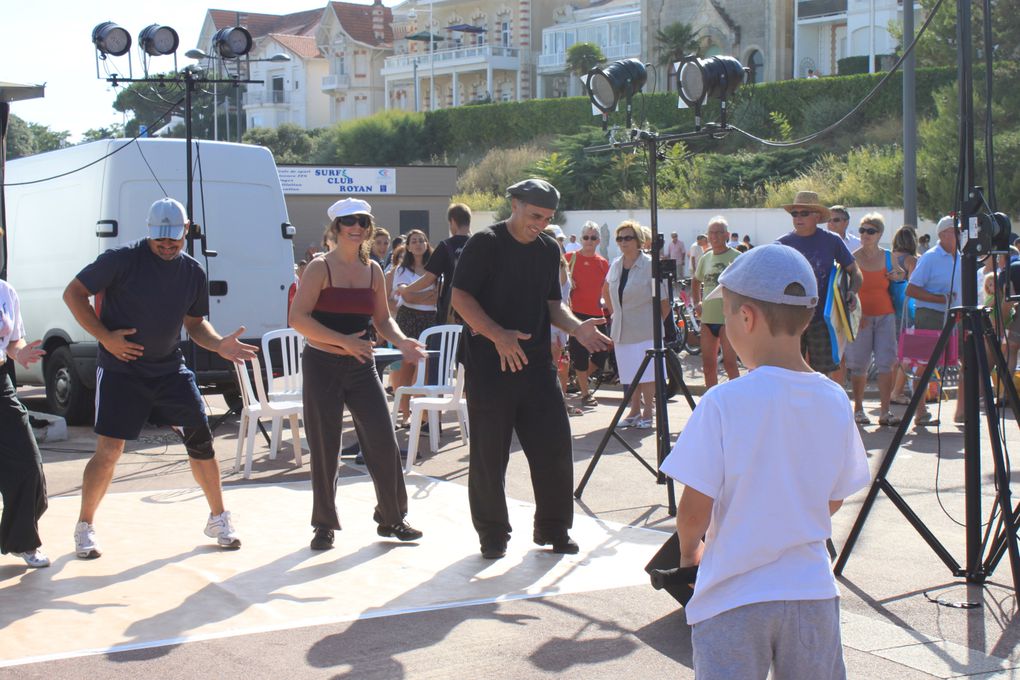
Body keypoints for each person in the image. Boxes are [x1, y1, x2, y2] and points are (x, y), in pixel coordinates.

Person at [660, 243, 869, 680]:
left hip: (733, 595)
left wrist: (688, 553)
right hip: (811, 591)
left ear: (747, 318)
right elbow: (833, 498)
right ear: (808, 317)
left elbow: (693, 509)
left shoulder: (721, 403)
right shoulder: (834, 399)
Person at [63, 197, 257, 559]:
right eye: (160, 241)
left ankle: (218, 518)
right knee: (110, 450)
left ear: (186, 231)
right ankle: (84, 525)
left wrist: (218, 345)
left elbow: (195, 324)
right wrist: (105, 337)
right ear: (149, 234)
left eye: (174, 240)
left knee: (201, 442)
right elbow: (73, 294)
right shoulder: (119, 260)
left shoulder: (192, 271)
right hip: (122, 371)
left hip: (169, 369)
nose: (167, 247)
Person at [451, 179, 611, 560]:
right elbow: (460, 296)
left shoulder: (548, 250)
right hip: (490, 366)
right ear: (515, 204)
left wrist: (578, 327)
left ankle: (553, 529)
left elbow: (554, 306)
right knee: (490, 455)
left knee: (554, 447)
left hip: (537, 366)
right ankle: (492, 534)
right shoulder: (485, 243)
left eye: (548, 218)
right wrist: (497, 335)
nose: (540, 223)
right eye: (535, 215)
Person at [289, 198, 426, 551]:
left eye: (363, 221)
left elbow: (382, 319)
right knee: (325, 446)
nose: (357, 227)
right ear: (335, 228)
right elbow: (298, 319)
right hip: (322, 364)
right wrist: (341, 342)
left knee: (383, 440)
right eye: (348, 221)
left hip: (362, 366)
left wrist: (401, 341)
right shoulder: (320, 268)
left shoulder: (374, 271)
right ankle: (324, 525)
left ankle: (392, 517)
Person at [777, 190, 862, 377]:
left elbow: (855, 272)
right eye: (795, 214)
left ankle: (822, 406)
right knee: (788, 372)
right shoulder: (781, 244)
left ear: (816, 216)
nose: (798, 218)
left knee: (824, 374)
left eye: (804, 213)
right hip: (790, 318)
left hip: (822, 319)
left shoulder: (832, 241)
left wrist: (853, 292)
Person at [0, 270, 50, 568]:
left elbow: (13, 342)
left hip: (1, 382)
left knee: (29, 465)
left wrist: (21, 353)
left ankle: (22, 541)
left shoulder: (6, 292)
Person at [604, 220, 670, 427]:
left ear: (639, 240)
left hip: (646, 329)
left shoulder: (651, 265)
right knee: (629, 373)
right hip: (622, 329)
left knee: (648, 373)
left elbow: (664, 302)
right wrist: (616, 314)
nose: (623, 242)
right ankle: (633, 410)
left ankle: (648, 412)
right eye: (620, 238)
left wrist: (655, 323)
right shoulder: (615, 264)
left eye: (628, 237)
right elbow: (606, 290)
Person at [906, 215, 967, 425]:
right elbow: (911, 289)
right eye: (956, 230)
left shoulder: (961, 256)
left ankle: (961, 411)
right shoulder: (930, 257)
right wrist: (939, 298)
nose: (960, 234)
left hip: (957, 314)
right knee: (924, 363)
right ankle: (920, 413)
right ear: (943, 234)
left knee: (967, 362)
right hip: (931, 315)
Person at [845, 214, 904, 426]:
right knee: (858, 365)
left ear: (879, 234)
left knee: (886, 364)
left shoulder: (888, 256)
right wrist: (854, 315)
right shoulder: (853, 257)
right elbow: (845, 288)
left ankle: (885, 411)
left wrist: (898, 275)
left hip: (885, 316)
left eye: (870, 231)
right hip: (860, 317)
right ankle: (858, 409)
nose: (865, 235)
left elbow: (901, 275)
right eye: (862, 230)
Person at [386, 229, 438, 425]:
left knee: (425, 368)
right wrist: (424, 295)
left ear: (427, 244)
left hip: (429, 320)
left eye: (421, 240)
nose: (418, 244)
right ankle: (405, 413)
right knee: (403, 369)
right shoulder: (401, 270)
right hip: (407, 319)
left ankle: (423, 416)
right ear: (408, 246)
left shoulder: (434, 270)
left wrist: (414, 294)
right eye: (414, 241)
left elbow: (436, 296)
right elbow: (405, 296)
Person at [398, 203, 471, 325]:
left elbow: (428, 279)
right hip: (479, 308)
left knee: (451, 343)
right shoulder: (480, 244)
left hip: (454, 309)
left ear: (452, 221)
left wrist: (407, 290)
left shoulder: (446, 246)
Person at [566, 221, 610, 408]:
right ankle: (585, 393)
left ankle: (579, 377)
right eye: (586, 237)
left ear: (598, 240)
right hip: (575, 314)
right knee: (580, 354)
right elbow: (557, 280)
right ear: (581, 238)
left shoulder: (603, 263)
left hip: (597, 314)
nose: (589, 241)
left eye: (593, 238)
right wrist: (568, 279)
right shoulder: (569, 258)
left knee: (601, 354)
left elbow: (607, 290)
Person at [693, 217, 741, 388]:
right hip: (708, 318)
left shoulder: (737, 257)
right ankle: (710, 403)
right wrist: (697, 302)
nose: (714, 236)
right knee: (708, 365)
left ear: (727, 235)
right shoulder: (705, 258)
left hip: (728, 319)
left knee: (730, 364)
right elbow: (696, 280)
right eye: (711, 233)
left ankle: (735, 402)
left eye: (719, 232)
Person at [890, 225, 919, 404]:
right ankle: (897, 391)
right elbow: (914, 284)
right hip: (906, 308)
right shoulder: (911, 260)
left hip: (888, 306)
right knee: (906, 352)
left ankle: (893, 389)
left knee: (894, 352)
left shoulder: (889, 257)